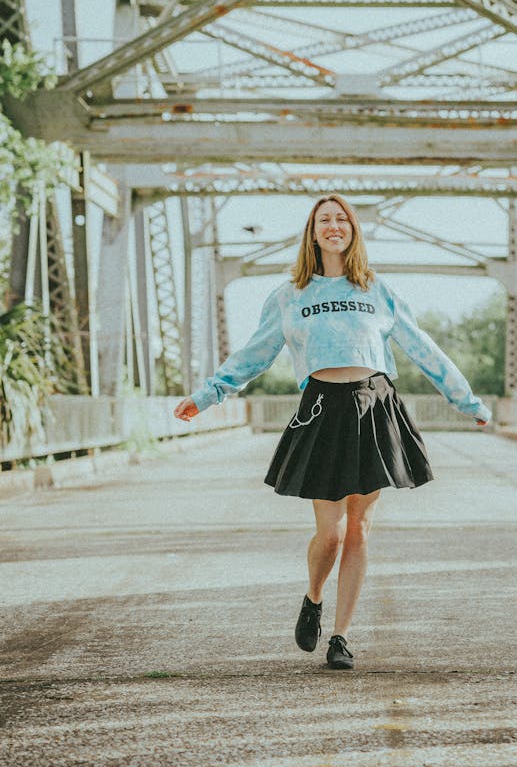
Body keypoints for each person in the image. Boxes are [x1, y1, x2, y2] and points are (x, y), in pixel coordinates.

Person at [174, 194, 491, 670]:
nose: (334, 225)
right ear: (313, 232)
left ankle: (341, 636)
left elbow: (422, 348)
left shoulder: (376, 289)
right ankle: (313, 596)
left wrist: (466, 400)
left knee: (359, 530)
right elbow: (254, 354)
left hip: (373, 405)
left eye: (342, 219)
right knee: (330, 536)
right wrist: (208, 394)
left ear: (353, 230)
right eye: (324, 219)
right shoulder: (288, 296)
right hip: (322, 408)